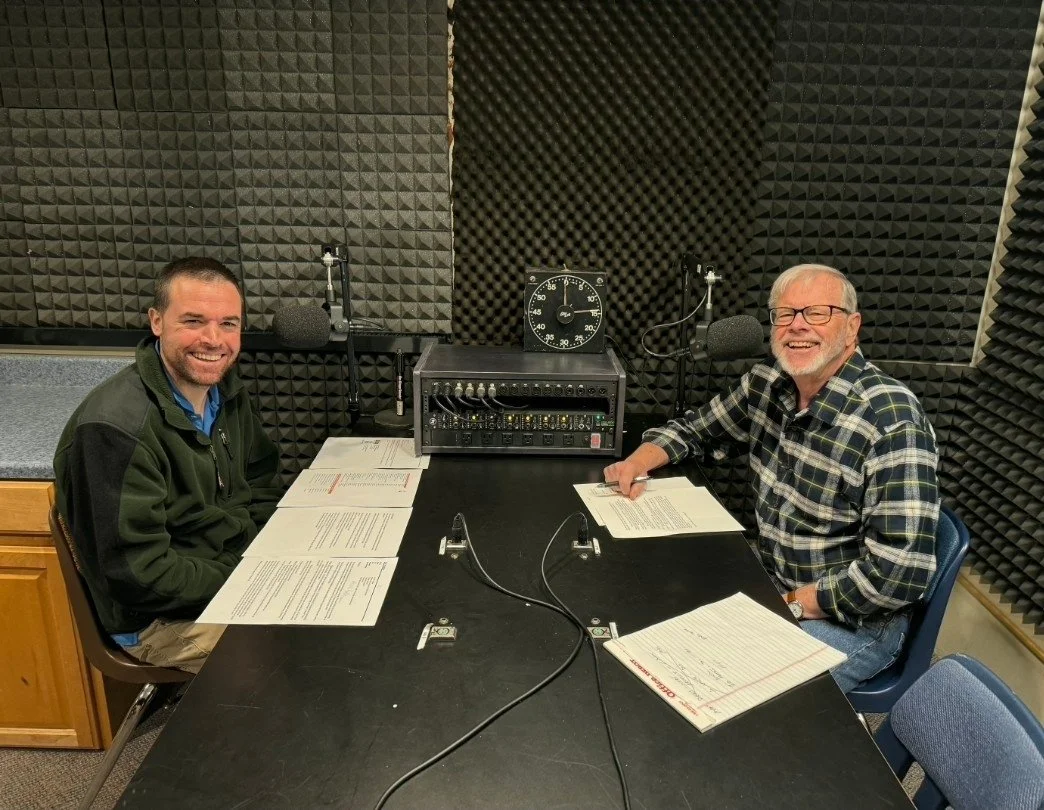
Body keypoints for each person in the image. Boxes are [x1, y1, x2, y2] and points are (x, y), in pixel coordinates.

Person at [604, 264, 940, 692]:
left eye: (817, 313)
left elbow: (900, 573)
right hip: (773, 579)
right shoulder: (767, 384)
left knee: (716, 690)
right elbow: (695, 429)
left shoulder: (891, 422)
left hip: (853, 618)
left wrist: (797, 604)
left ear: (852, 327)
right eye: (785, 314)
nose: (797, 326)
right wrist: (640, 460)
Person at [54, 257, 282, 674]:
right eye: (194, 321)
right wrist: (243, 575)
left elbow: (261, 480)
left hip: (229, 576)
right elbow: (139, 575)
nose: (214, 340)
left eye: (229, 324)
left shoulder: (223, 391)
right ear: (156, 321)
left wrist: (268, 554)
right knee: (304, 656)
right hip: (161, 620)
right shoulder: (113, 429)